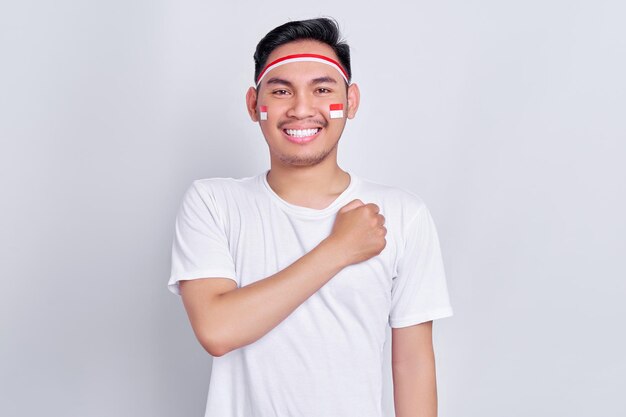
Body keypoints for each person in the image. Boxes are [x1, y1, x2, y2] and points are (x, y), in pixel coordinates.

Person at [168, 17, 453, 417]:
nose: (302, 108)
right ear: (255, 105)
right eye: (281, 91)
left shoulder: (404, 214)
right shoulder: (214, 202)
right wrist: (338, 249)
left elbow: (413, 365)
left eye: (322, 89)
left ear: (351, 102)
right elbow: (218, 330)